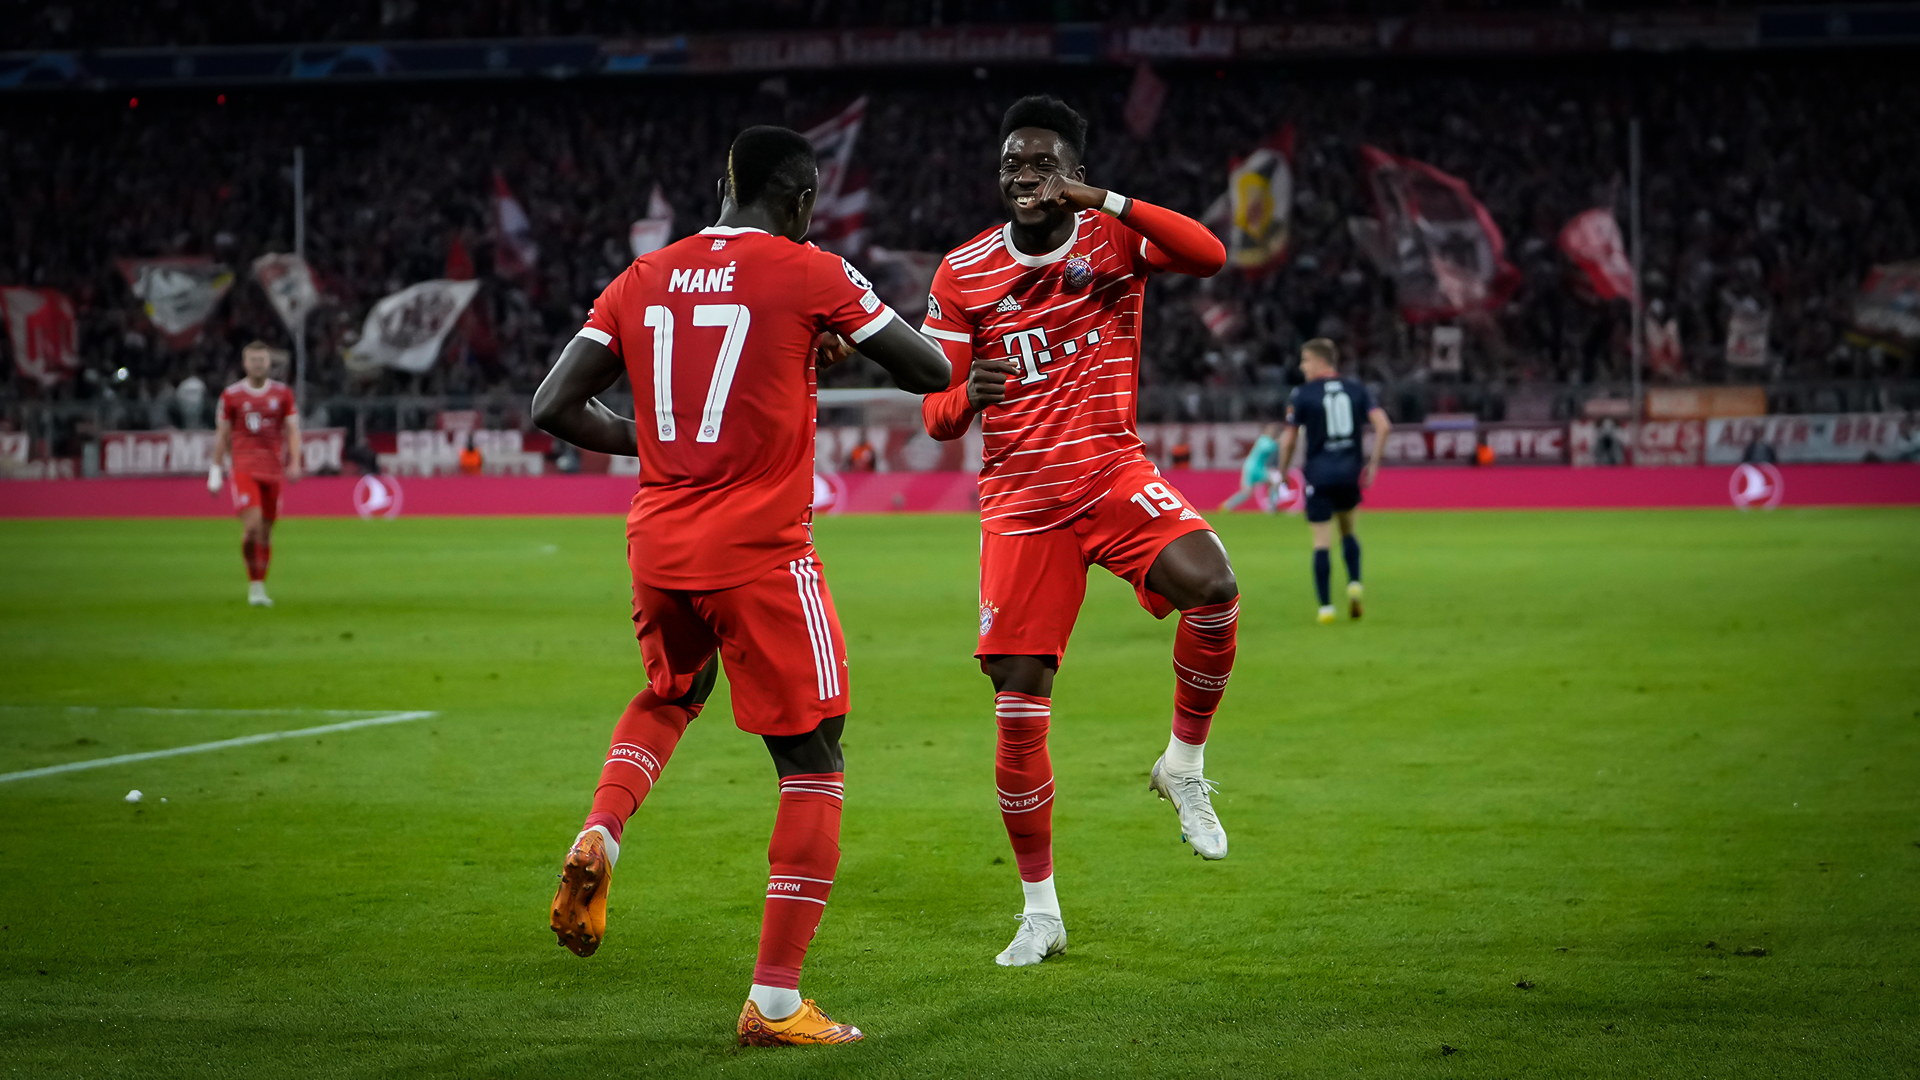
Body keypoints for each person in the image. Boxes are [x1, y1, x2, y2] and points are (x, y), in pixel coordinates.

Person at [531, 125, 949, 1048]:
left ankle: (604, 827)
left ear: (722, 186)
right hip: (759, 551)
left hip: (658, 543)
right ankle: (774, 1003)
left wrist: (664, 442)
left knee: (673, 691)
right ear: (802, 202)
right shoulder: (812, 271)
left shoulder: (643, 275)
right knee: (815, 757)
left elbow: (552, 405)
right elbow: (930, 369)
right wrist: (832, 327)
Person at [918, 95, 1235, 969]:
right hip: (1020, 509)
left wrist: (1101, 200)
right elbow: (935, 413)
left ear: (1072, 171)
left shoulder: (1113, 239)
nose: (1026, 179)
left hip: (1111, 473)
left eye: (1043, 164)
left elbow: (1208, 255)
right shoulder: (962, 271)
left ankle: (1183, 766)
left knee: (1215, 585)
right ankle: (1041, 911)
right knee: (1020, 715)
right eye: (1014, 165)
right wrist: (965, 398)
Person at [1275, 338, 1391, 624]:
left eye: (1305, 361)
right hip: (1350, 472)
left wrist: (1283, 471)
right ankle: (1354, 584)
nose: (1302, 367)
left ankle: (1326, 608)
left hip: (1319, 474)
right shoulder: (1356, 388)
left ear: (1318, 360)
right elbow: (1384, 425)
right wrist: (1373, 464)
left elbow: (1289, 440)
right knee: (1349, 531)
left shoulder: (1302, 394)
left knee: (1321, 542)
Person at [209, 341, 301, 606]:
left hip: (273, 471)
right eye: (253, 359)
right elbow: (223, 435)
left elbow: (292, 430)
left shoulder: (283, 394)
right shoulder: (231, 395)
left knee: (266, 533)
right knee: (252, 528)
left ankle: (259, 587)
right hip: (244, 468)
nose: (258, 364)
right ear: (244, 363)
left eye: (262, 359)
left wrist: (294, 461)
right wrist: (215, 472)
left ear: (269, 363)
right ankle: (254, 586)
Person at [1220, 423, 1286, 512]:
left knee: (1273, 482)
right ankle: (1227, 506)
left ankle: (1272, 507)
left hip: (1253, 468)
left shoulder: (1267, 440)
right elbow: (1270, 447)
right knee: (1247, 492)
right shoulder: (1264, 439)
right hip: (1254, 469)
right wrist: (1282, 441)